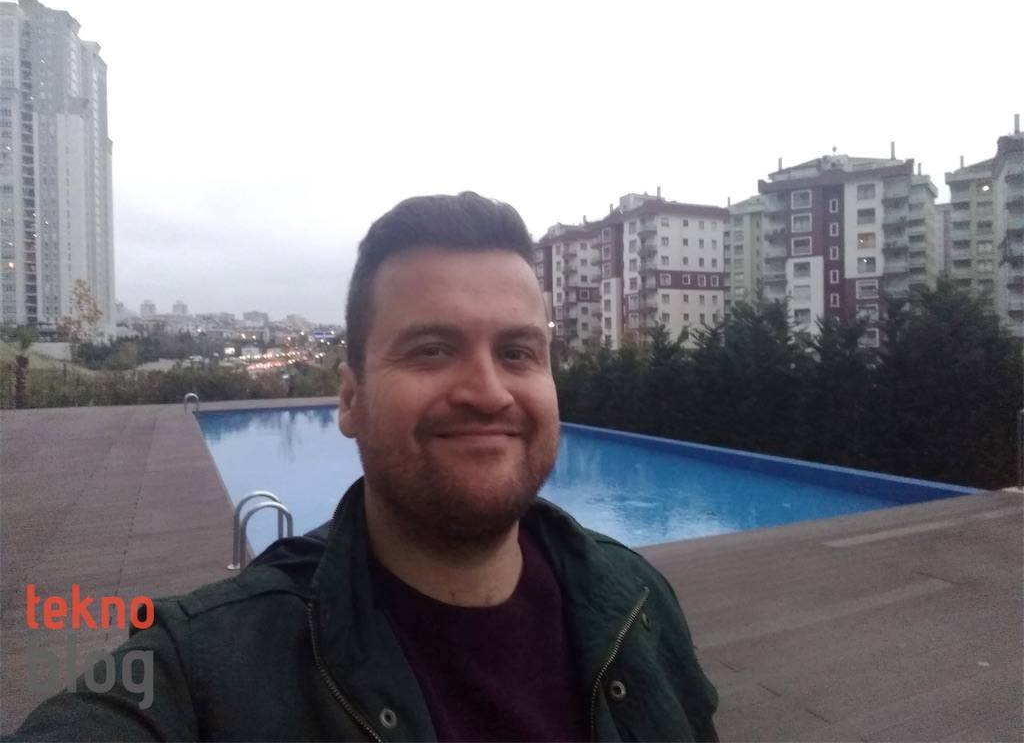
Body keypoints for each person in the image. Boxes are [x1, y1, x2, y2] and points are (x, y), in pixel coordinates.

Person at [12, 192, 719, 741]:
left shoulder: (638, 603)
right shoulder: (205, 665)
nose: (488, 391)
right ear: (349, 399)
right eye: (431, 350)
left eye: (518, 353)